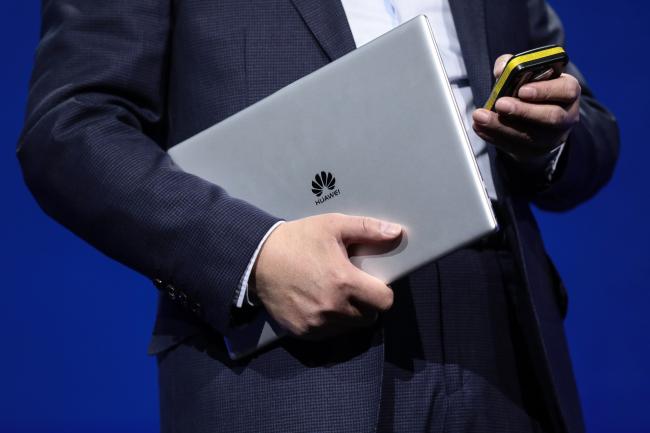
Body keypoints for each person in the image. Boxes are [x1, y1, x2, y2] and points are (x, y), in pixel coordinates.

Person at [17, 0, 618, 432]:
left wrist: (548, 139)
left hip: (501, 333)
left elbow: (589, 127)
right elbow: (71, 130)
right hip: (286, 350)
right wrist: (255, 255)